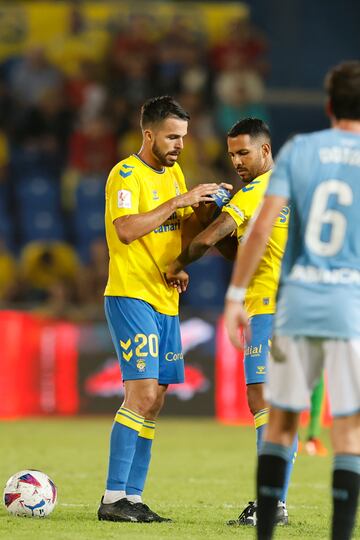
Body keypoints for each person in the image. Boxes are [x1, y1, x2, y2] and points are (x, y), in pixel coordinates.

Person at [224, 61, 360, 540]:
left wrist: (235, 294)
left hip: (297, 298)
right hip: (349, 302)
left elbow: (260, 227)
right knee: (347, 425)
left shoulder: (301, 151)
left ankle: (267, 526)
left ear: (328, 106)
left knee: (279, 417)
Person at [98, 95, 228, 523]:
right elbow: (127, 229)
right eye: (172, 137)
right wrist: (178, 201)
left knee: (156, 402)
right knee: (141, 394)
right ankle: (112, 497)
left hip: (164, 297)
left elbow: (178, 229)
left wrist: (203, 213)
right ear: (148, 133)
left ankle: (132, 498)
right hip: (131, 294)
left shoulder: (174, 175)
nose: (178, 146)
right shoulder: (126, 175)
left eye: (183, 138)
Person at [166, 118, 297, 526]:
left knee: (262, 401)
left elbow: (203, 242)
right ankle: (275, 500)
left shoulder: (256, 192)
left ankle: (271, 503)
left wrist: (176, 262)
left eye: (244, 153)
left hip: (269, 307)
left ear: (265, 149)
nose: (237, 162)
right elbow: (241, 253)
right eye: (232, 155)